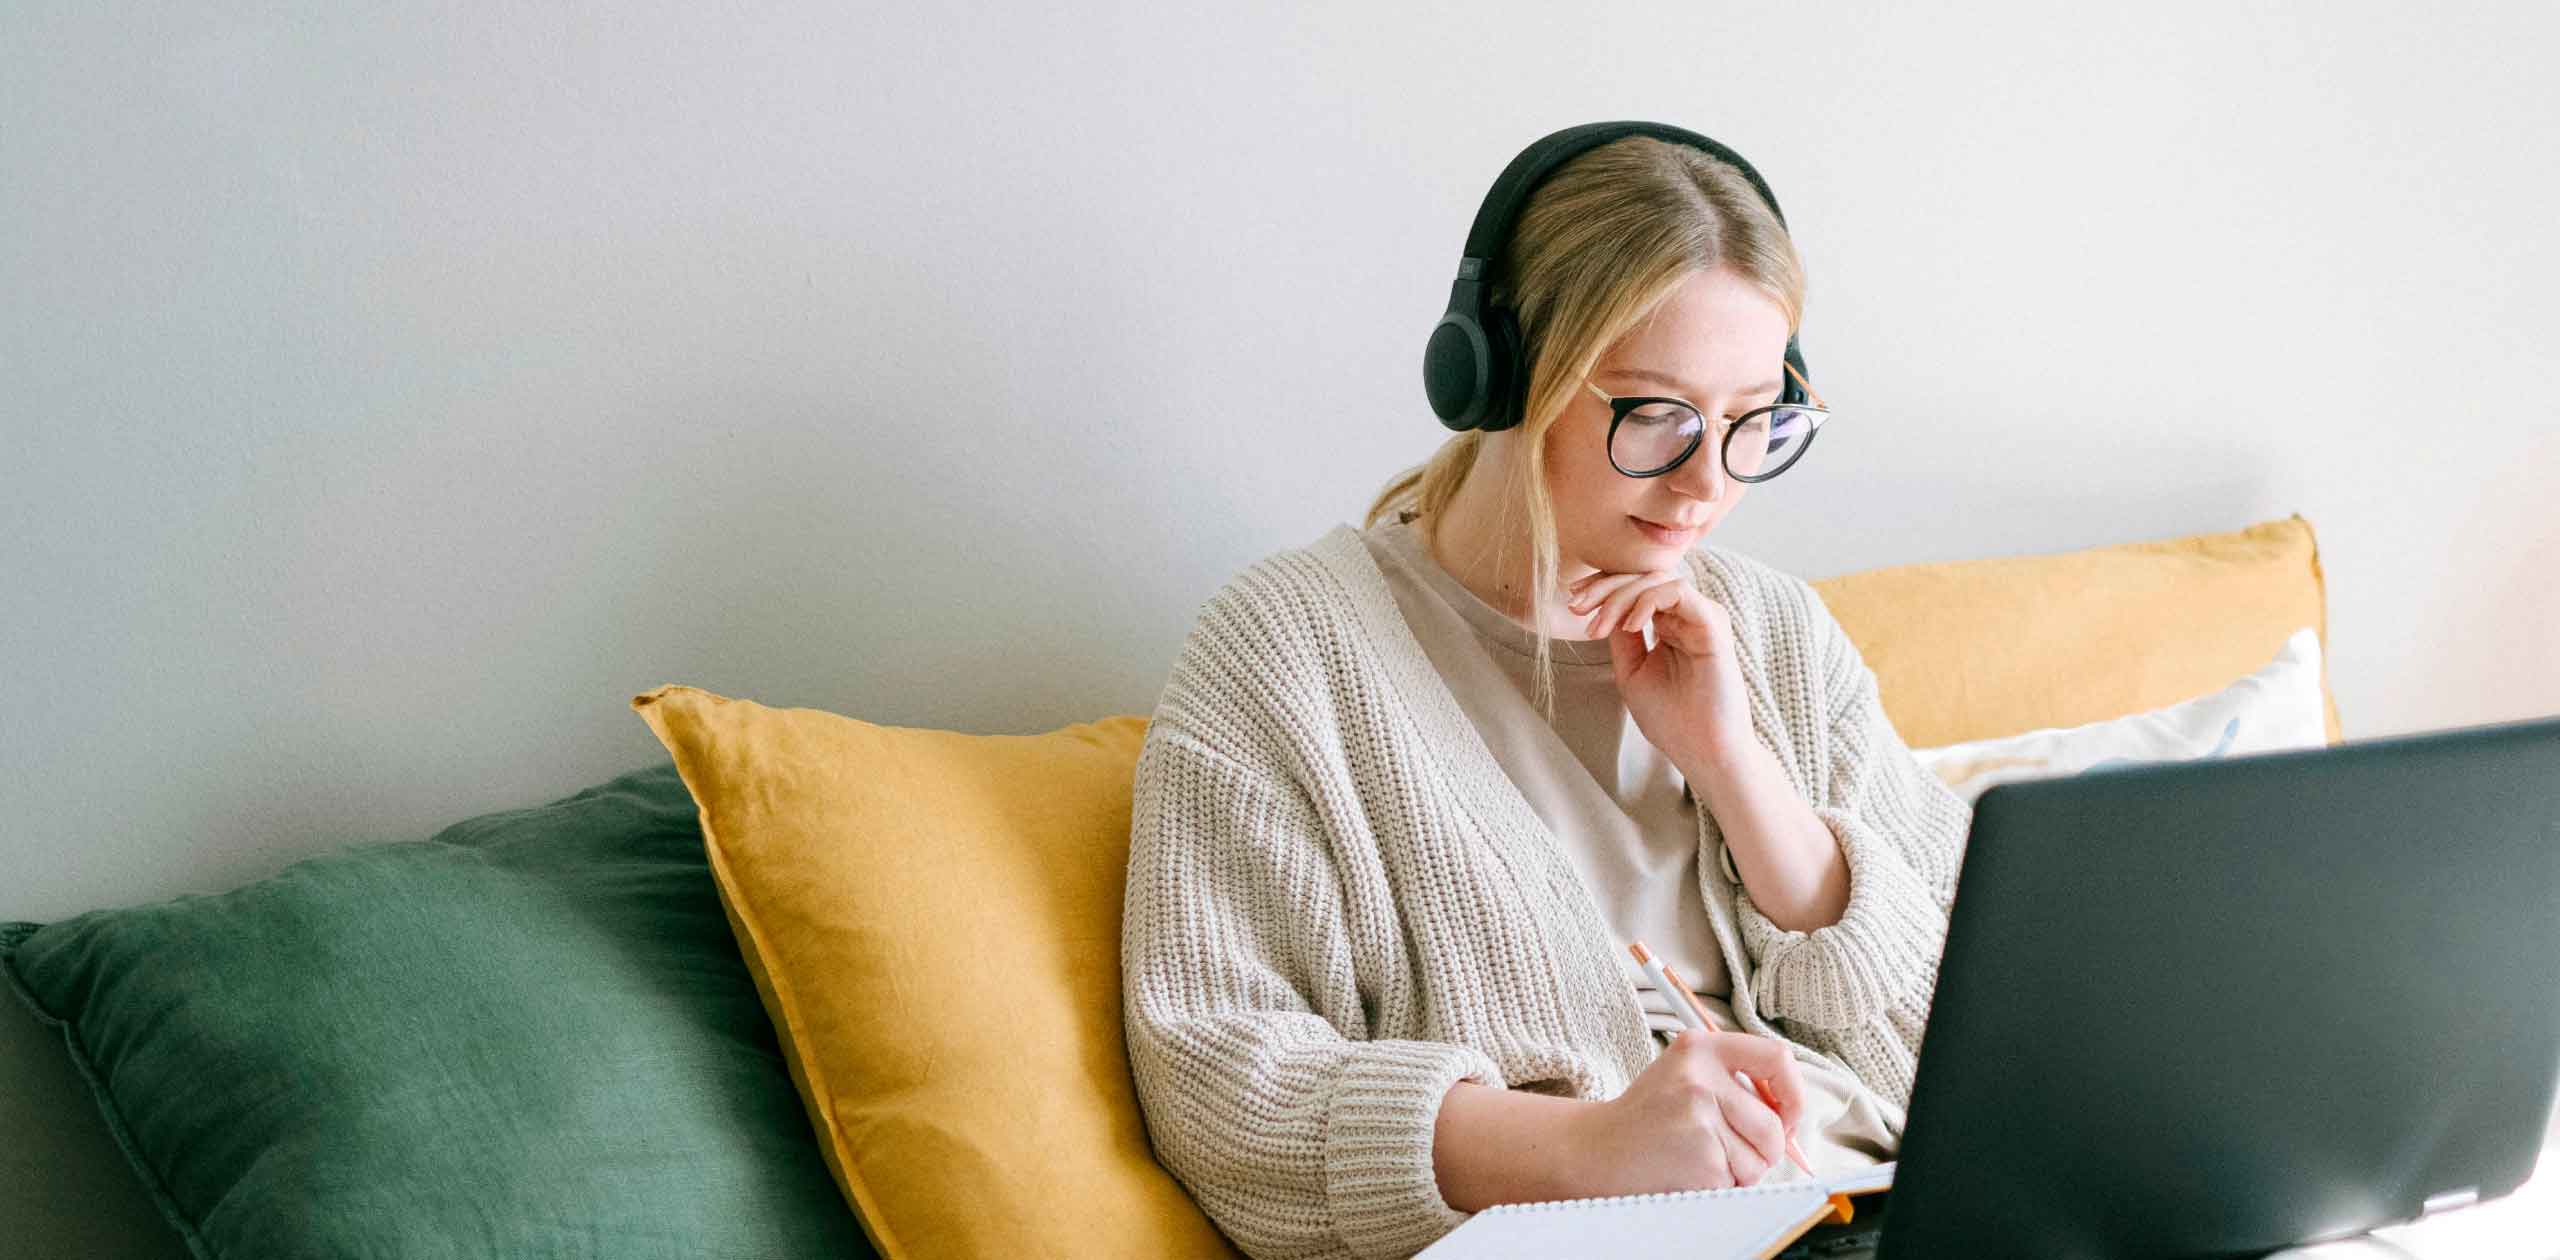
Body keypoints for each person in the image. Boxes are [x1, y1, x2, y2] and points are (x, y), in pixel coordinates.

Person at [1119, 129, 1974, 1260]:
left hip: (1897, 1212)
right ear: (1501, 377)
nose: (1709, 481)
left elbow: (1983, 1035)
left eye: (1752, 418)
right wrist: (1588, 1149)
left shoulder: (1771, 631)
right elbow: (1221, 1077)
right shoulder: (1293, 650)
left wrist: (1736, 770)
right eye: (1655, 415)